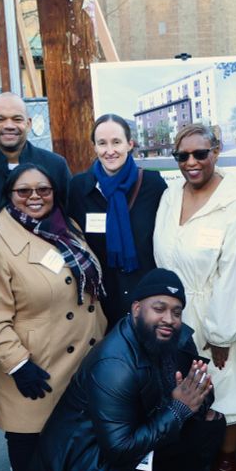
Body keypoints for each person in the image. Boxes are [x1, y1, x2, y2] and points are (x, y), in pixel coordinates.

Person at [38, 269, 225, 471]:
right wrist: (177, 409)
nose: (169, 319)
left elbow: (192, 397)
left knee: (210, 423)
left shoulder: (174, 339)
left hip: (139, 427)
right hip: (87, 452)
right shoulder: (115, 365)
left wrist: (198, 396)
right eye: (159, 308)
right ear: (137, 308)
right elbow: (118, 447)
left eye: (176, 311)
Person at [0, 163, 107, 471]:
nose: (35, 197)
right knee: (26, 435)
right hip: (34, 358)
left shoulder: (66, 227)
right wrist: (18, 365)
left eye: (44, 189)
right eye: (24, 191)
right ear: (9, 196)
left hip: (78, 349)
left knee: (71, 430)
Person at [154, 123, 236, 471]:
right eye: (182, 156)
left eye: (200, 153)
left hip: (218, 309)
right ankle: (194, 456)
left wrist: (222, 333)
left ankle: (227, 461)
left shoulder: (235, 203)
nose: (192, 162)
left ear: (216, 152)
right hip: (176, 312)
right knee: (185, 390)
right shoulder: (171, 195)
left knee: (227, 389)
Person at [67, 113, 167, 327]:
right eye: (102, 143)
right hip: (102, 305)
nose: (110, 151)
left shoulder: (153, 185)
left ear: (130, 144)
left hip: (146, 301)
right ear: (94, 147)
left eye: (116, 142)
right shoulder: (79, 189)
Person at [0, 91, 73, 212]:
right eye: (0, 119)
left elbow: (70, 214)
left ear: (28, 124)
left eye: (17, 119)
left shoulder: (55, 166)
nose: (9, 125)